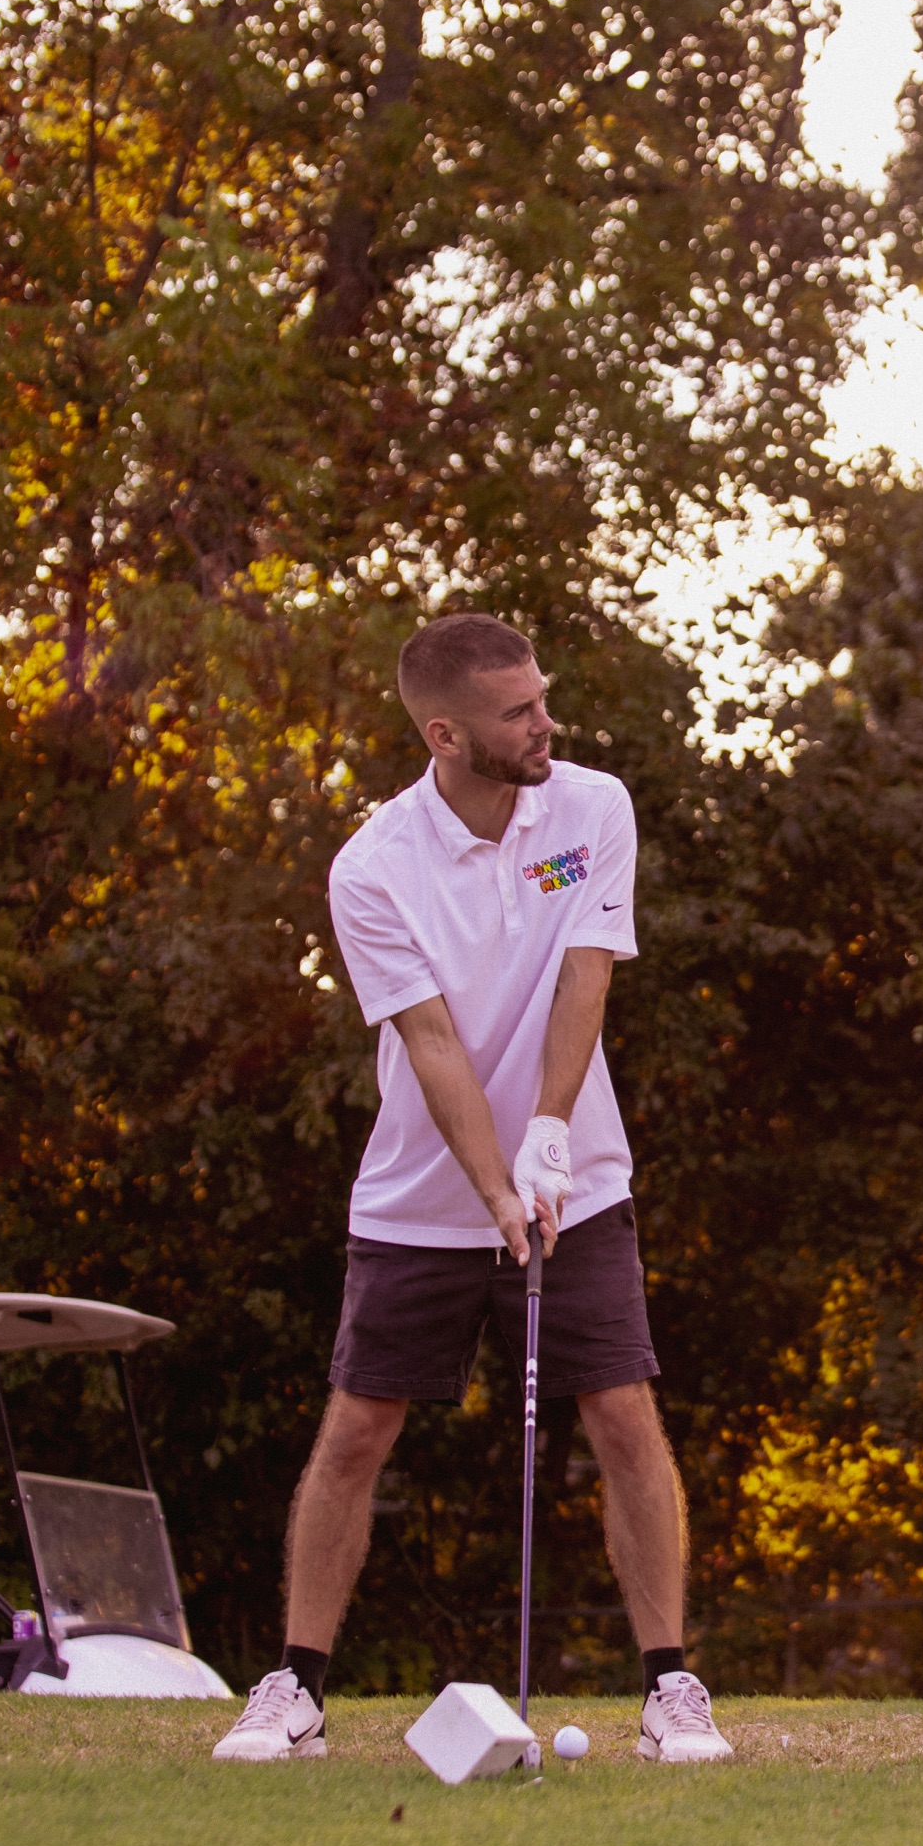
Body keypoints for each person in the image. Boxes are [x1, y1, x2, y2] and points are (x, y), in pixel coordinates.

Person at [214, 611, 730, 1766]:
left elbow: (583, 974)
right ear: (444, 735)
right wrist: (495, 1190)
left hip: (579, 1181)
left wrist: (548, 1138)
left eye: (543, 698)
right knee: (355, 1431)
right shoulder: (373, 869)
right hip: (420, 1196)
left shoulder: (590, 810)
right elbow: (434, 1043)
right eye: (518, 713)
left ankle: (670, 1687)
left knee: (623, 1415)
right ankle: (293, 1690)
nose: (545, 723)